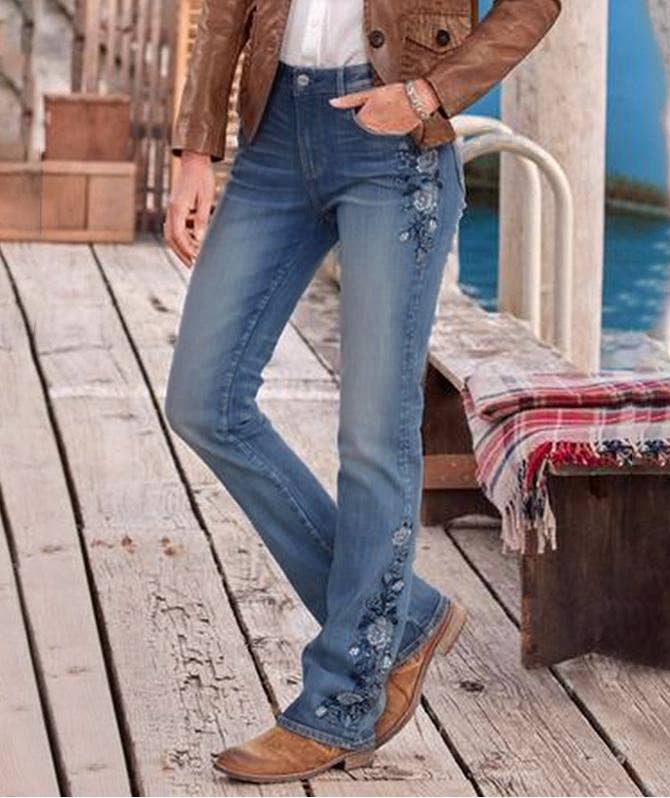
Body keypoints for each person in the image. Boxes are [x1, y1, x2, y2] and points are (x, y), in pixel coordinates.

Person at [163, 0, 561, 783]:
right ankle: (400, 619)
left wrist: (430, 93)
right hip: (276, 134)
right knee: (204, 400)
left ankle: (341, 701)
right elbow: (224, 11)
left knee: (374, 436)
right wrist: (195, 149)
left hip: (395, 147)